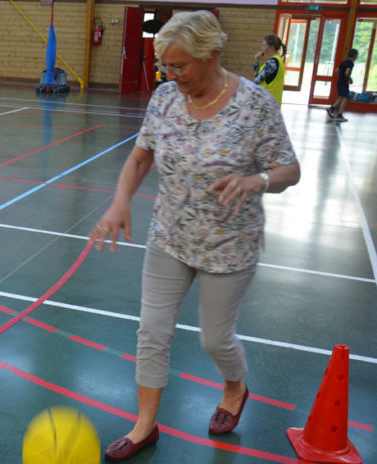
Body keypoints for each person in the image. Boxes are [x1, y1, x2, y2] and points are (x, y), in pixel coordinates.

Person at [88, 11, 300, 462]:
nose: (171, 74)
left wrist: (257, 180)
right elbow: (140, 158)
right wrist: (120, 201)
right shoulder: (165, 98)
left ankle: (234, 386)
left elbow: (289, 169)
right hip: (170, 235)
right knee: (152, 331)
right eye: (166, 65)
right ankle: (146, 426)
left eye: (180, 65)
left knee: (214, 340)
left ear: (212, 55)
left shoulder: (254, 104)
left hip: (229, 245)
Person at [252, 34, 286, 106]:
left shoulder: (272, 62)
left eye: (264, 45)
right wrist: (257, 61)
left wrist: (256, 62)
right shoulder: (278, 60)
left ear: (272, 47)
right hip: (272, 103)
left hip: (267, 103)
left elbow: (256, 80)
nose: (262, 48)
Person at [327, 48, 359, 122]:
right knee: (345, 98)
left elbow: (336, 71)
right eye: (356, 55)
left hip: (340, 82)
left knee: (342, 97)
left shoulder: (344, 62)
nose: (356, 57)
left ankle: (332, 109)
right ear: (354, 56)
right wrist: (349, 79)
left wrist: (341, 77)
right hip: (344, 83)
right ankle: (339, 114)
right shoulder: (351, 63)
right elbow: (347, 72)